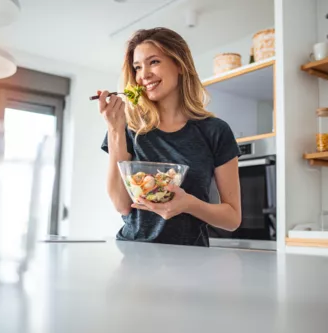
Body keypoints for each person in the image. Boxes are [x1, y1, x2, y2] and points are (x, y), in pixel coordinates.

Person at [99, 27, 241, 247]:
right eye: (137, 67)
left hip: (191, 260)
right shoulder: (127, 126)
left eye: (153, 62)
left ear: (179, 65)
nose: (143, 75)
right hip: (134, 254)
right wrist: (115, 130)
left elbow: (232, 219)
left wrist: (188, 204)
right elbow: (122, 205)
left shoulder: (216, 131)